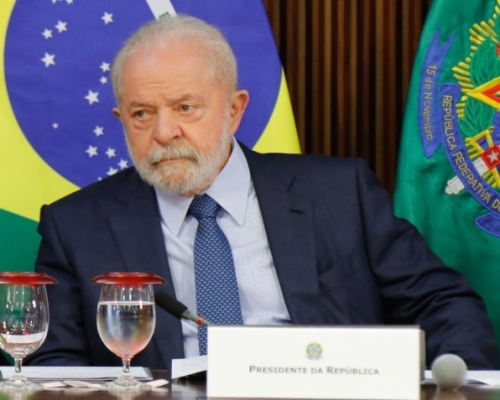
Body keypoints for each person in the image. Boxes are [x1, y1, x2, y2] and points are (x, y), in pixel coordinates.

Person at [26, 14, 498, 370]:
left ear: (234, 110)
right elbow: (53, 366)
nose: (164, 132)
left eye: (185, 107)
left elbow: (443, 304)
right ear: (121, 120)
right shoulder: (77, 226)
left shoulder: (338, 194)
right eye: (141, 114)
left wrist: (455, 385)